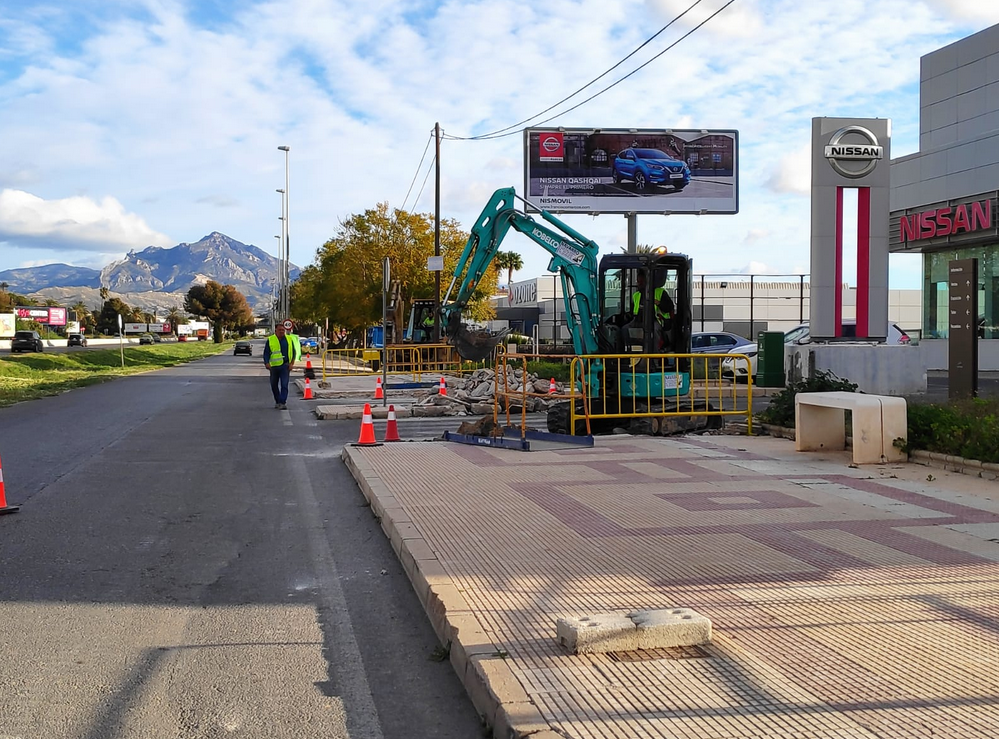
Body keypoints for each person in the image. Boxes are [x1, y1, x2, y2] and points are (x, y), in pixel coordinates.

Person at [631, 269, 675, 351]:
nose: (639, 284)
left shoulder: (660, 292)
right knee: (624, 329)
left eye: (641, 282)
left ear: (648, 281)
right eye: (638, 281)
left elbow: (669, 308)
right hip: (638, 321)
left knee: (653, 330)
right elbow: (633, 311)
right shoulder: (636, 295)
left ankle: (655, 354)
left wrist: (658, 303)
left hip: (656, 320)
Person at [263, 323, 300, 409]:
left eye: (283, 330)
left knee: (284, 384)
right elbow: (266, 353)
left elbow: (294, 352)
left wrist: (292, 363)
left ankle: (282, 402)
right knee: (274, 385)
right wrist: (266, 363)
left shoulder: (289, 339)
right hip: (274, 367)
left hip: (285, 366)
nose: (281, 332)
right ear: (275, 330)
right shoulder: (271, 339)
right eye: (280, 330)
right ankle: (278, 401)